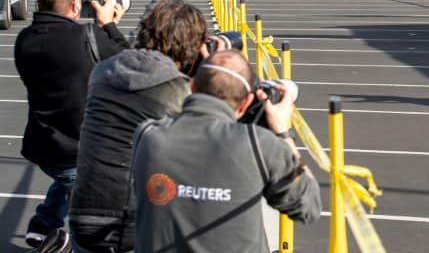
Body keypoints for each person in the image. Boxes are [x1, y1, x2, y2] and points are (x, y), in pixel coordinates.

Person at [131, 50, 322, 252]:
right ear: (245, 103)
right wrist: (283, 133)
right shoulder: (258, 144)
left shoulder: (148, 136)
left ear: (193, 86)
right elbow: (308, 206)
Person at [69, 0, 210, 252]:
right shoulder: (179, 92)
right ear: (192, 47)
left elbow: (135, 66)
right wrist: (210, 71)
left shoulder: (102, 72)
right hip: (134, 221)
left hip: (83, 213)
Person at [14, 0, 128, 248]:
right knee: (88, 220)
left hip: (45, 146)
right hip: (78, 148)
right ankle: (61, 240)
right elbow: (130, 63)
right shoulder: (85, 39)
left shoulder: (24, 40)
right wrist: (110, 25)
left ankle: (43, 223)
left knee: (67, 180)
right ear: (77, 5)